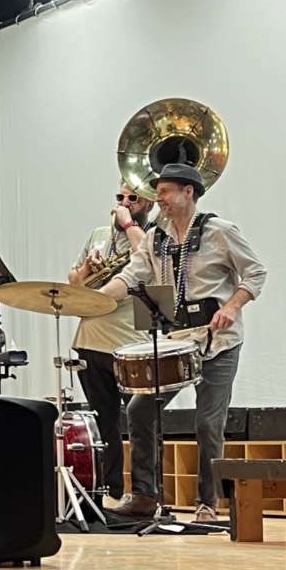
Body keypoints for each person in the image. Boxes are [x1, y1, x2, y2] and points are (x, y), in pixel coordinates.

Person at [100, 163, 266, 522]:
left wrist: (234, 306)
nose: (158, 199)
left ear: (187, 192)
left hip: (218, 340)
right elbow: (130, 276)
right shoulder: (156, 237)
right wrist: (95, 300)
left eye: (164, 192)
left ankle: (207, 503)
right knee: (139, 410)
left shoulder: (220, 231)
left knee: (208, 421)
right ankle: (145, 496)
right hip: (177, 341)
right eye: (157, 193)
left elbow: (256, 271)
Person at [67, 183, 154, 504]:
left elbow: (152, 261)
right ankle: (112, 490)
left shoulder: (153, 234)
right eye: (120, 198)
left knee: (141, 420)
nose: (125, 203)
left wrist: (129, 224)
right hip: (90, 338)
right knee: (105, 422)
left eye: (133, 199)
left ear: (148, 205)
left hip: (131, 343)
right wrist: (89, 266)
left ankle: (145, 493)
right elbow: (75, 281)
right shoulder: (99, 233)